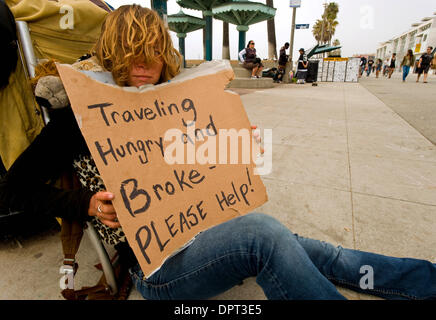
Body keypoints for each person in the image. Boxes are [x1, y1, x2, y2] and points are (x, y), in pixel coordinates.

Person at [1, 5, 436, 301]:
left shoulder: (173, 97)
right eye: (131, 53)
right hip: (158, 266)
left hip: (209, 227)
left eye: (152, 52)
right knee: (264, 238)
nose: (143, 65)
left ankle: (424, 279)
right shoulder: (80, 114)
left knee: (311, 250)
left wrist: (234, 148)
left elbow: (190, 166)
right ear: (112, 54)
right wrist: (87, 204)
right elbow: (12, 190)